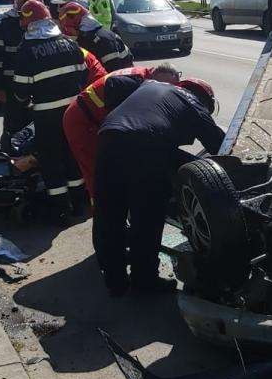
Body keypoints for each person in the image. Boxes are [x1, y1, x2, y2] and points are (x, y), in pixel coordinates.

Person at [93, 78, 224, 296]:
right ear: (202, 98)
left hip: (109, 136)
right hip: (147, 145)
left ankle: (114, 281)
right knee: (146, 221)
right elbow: (220, 145)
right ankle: (144, 284)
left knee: (110, 213)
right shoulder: (191, 100)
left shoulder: (149, 86)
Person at [11, 0, 104, 222]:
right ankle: (79, 205)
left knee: (51, 162)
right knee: (72, 157)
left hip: (46, 117)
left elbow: (21, 92)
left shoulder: (27, 51)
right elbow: (83, 76)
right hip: (74, 113)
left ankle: (60, 210)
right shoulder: (70, 44)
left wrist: (25, 104)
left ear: (29, 22)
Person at [62, 63, 180, 197]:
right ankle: (102, 212)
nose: (166, 91)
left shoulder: (144, 78)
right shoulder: (131, 83)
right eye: (166, 85)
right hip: (82, 121)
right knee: (97, 174)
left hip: (96, 118)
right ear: (157, 75)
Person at [0, 0, 37, 151]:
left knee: (31, 122)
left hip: (34, 85)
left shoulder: (35, 26)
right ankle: (7, 151)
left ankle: (19, 152)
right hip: (11, 86)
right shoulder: (0, 28)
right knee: (13, 122)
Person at [57, 1, 134, 71]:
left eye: (69, 28)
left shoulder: (103, 40)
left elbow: (112, 72)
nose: (69, 33)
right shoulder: (84, 39)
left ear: (78, 25)